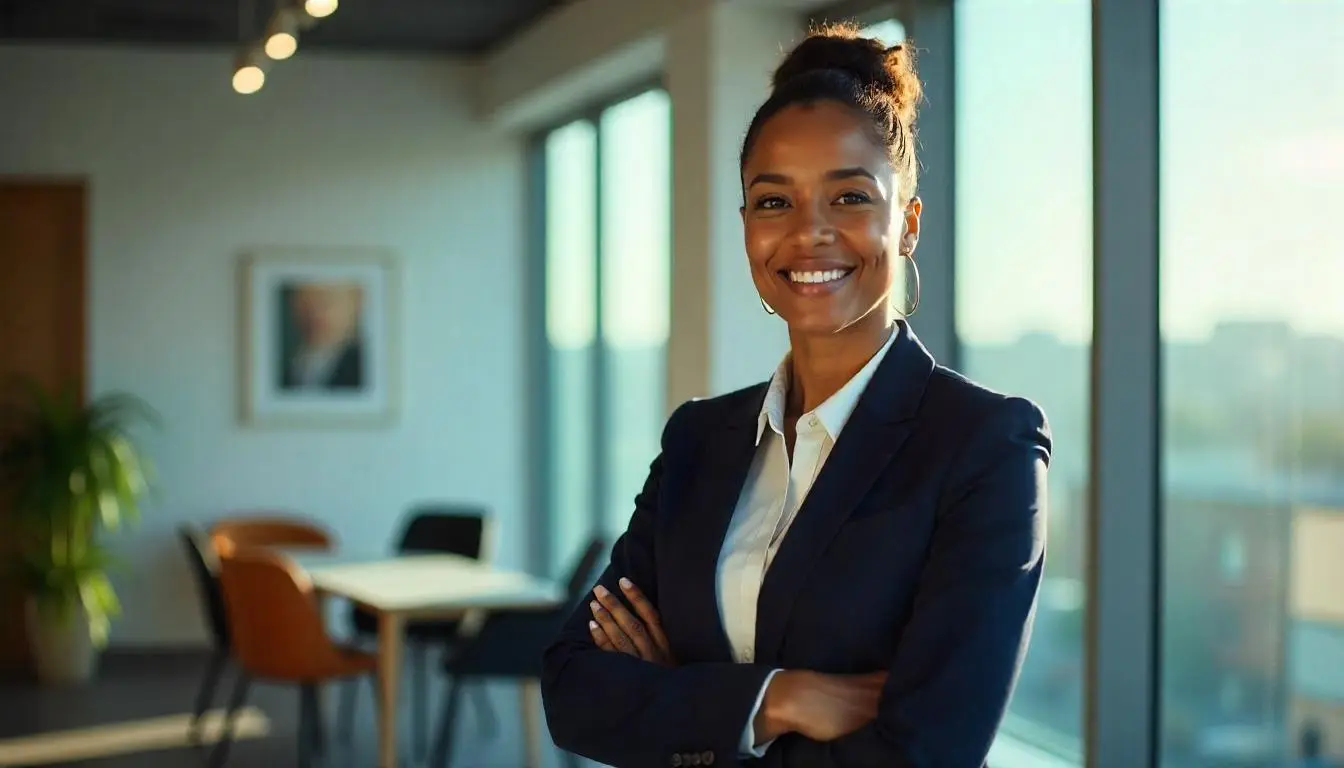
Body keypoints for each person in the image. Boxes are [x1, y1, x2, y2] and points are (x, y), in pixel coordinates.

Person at [541, 21, 1050, 768]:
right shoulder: (699, 440)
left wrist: (683, 703)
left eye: (849, 197)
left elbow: (924, 753)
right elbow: (572, 689)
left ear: (907, 223)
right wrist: (777, 699)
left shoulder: (983, 446)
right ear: (746, 224)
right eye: (774, 202)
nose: (809, 233)